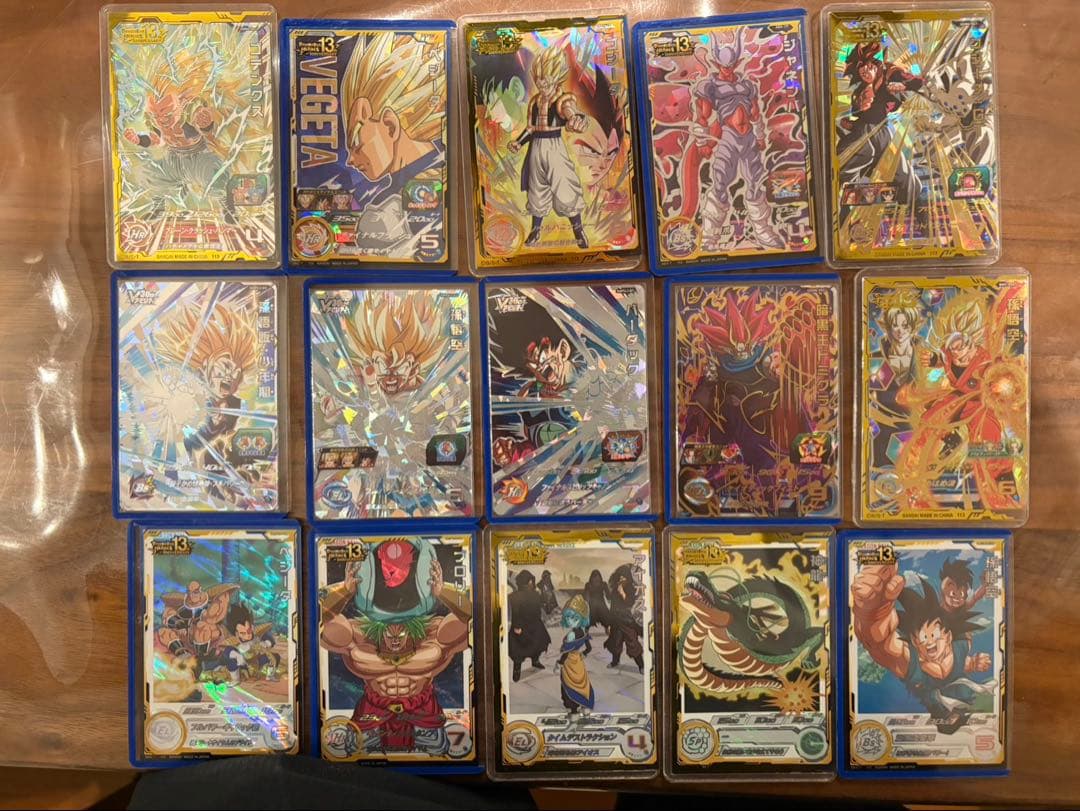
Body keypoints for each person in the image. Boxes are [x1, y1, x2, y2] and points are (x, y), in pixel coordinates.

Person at [852, 563, 994, 733]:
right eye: (924, 637)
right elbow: (882, 646)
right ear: (915, 640)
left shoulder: (923, 666)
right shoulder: (958, 646)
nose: (929, 642)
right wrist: (875, 612)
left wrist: (873, 612)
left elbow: (880, 645)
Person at [508, 47, 589, 249]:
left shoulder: (562, 99)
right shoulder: (535, 102)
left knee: (565, 185)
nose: (541, 83)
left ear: (556, 76)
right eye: (539, 78)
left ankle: (578, 231)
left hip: (555, 147)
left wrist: (577, 119)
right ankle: (535, 231)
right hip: (536, 147)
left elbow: (571, 112)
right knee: (537, 189)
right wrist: (519, 142)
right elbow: (531, 127)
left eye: (546, 78)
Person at [508, 570, 552, 682]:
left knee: (538, 645)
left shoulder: (535, 594)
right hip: (521, 626)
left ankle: (535, 661)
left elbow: (543, 604)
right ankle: (517, 669)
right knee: (518, 650)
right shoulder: (514, 596)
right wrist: (517, 626)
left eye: (532, 581)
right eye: (530, 581)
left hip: (535, 624)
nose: (531, 583)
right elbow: (515, 612)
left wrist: (546, 596)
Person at [557, 595, 594, 715]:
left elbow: (566, 652)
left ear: (581, 618)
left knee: (568, 684)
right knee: (583, 684)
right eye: (567, 617)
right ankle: (586, 706)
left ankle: (573, 711)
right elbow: (589, 648)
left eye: (574, 618)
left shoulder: (571, 635)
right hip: (578, 661)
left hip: (569, 663)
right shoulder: (584, 631)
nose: (569, 620)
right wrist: (583, 654)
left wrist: (559, 663)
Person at [604, 565, 644, 673]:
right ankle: (615, 661)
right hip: (616, 621)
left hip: (627, 622)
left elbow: (630, 603)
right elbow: (612, 608)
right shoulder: (614, 591)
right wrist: (609, 624)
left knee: (632, 643)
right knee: (615, 643)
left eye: (624, 577)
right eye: (620, 577)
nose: (621, 579)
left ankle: (641, 665)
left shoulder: (632, 589)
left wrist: (622, 593)